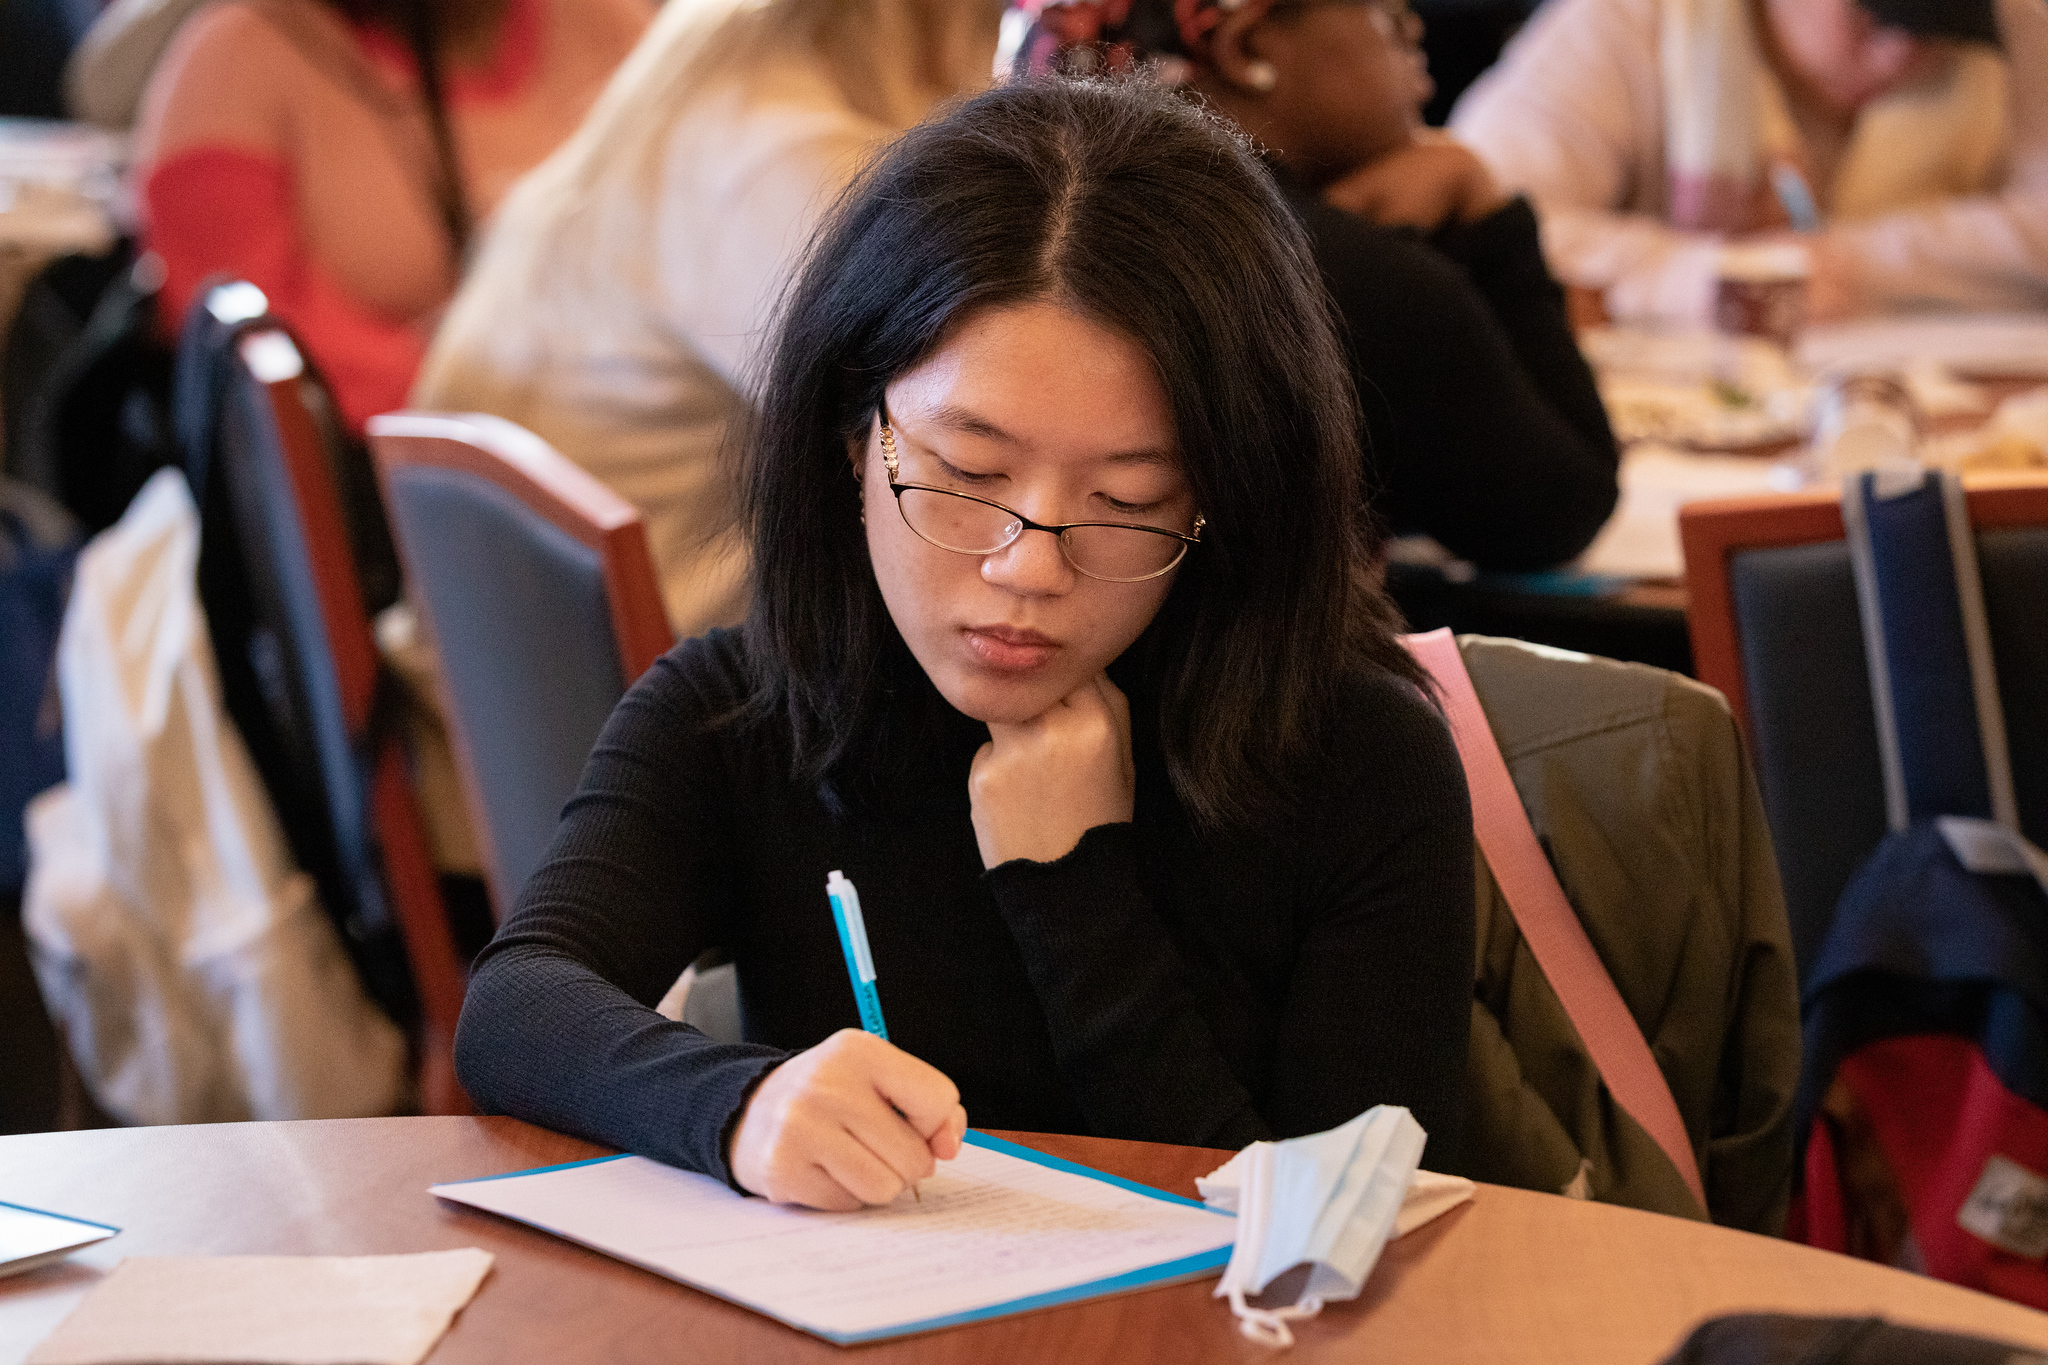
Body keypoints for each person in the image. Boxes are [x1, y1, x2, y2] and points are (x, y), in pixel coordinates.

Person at [453, 77, 1476, 1209]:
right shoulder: (750, 708)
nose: (1025, 567)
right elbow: (517, 1008)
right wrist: (737, 1105)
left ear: (1219, 500)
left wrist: (1070, 888)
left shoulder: (1354, 758)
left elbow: (1332, 1232)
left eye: (1127, 498)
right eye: (966, 475)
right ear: (852, 436)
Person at [411, 0, 1003, 639]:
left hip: (519, 686)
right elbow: (958, 501)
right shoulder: (775, 160)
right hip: (644, 701)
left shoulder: (715, 55)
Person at [1012, 0, 1618, 571]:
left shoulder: (1026, 217)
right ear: (1246, 46)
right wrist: (1487, 213)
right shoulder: (1334, 281)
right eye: (1384, 11)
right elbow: (1562, 510)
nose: (1415, 33)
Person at [130, 0, 650, 434]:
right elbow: (286, 388)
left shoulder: (613, 22)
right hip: (409, 496)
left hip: (638, 433)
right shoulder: (225, 71)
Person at [1451, 0, 2048, 323]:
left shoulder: (2012, 24)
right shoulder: (1621, 22)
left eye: (1938, 22)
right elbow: (1474, 217)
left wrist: (1844, 263)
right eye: (1871, 16)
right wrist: (1710, 275)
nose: (1896, 57)